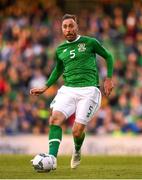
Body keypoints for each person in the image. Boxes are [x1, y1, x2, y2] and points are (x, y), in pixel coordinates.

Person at [30, 14, 114, 170]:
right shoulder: (60, 49)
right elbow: (59, 68)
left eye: (70, 26)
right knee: (54, 119)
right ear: (61, 29)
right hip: (68, 89)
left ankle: (76, 150)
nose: (68, 29)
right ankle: (52, 158)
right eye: (65, 27)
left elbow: (108, 56)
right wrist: (46, 86)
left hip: (89, 90)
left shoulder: (90, 42)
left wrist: (108, 78)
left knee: (76, 131)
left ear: (77, 26)